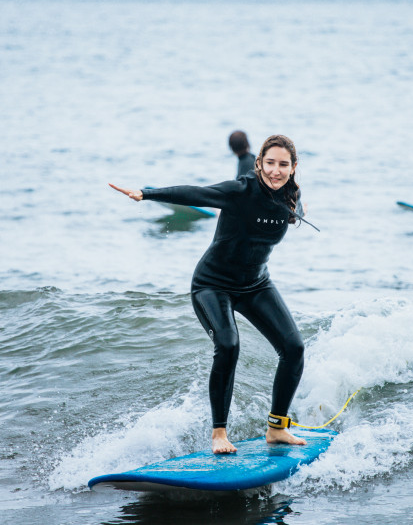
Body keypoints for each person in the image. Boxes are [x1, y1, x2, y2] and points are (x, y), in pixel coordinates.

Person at [110, 134, 310, 454]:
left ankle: (277, 428)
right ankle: (219, 433)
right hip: (212, 284)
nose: (276, 170)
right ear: (258, 164)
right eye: (269, 163)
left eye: (283, 165)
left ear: (293, 167)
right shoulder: (240, 191)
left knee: (294, 348)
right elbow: (197, 192)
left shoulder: (291, 198)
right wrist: (147, 194)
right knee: (228, 344)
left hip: (256, 284)